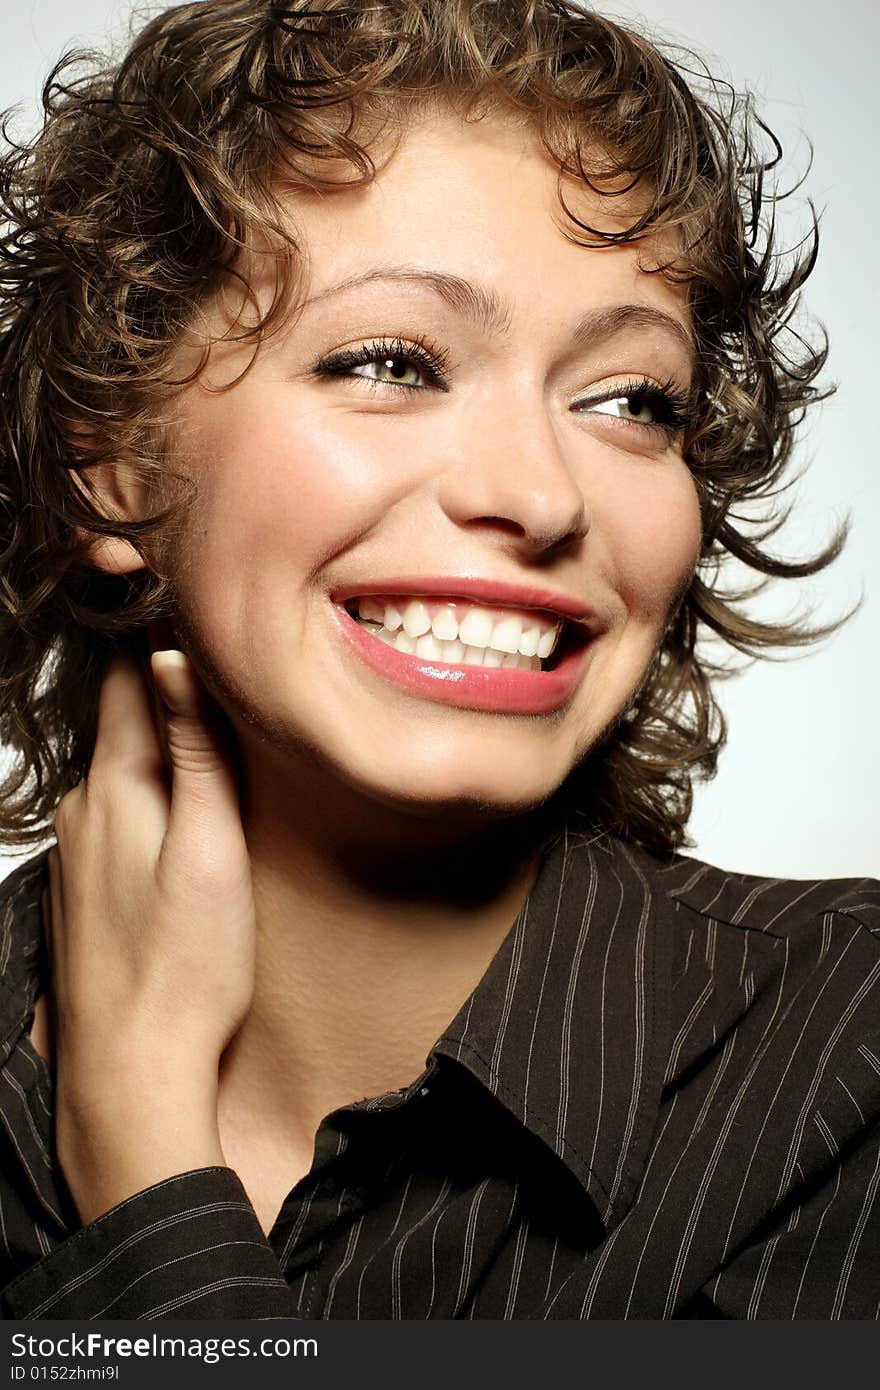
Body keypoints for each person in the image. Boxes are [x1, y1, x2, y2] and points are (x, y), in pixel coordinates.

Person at [0, 0, 876, 1321]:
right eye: (392, 362)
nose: (540, 495)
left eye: (632, 399)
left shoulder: (846, 1057)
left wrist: (147, 1181)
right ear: (111, 466)